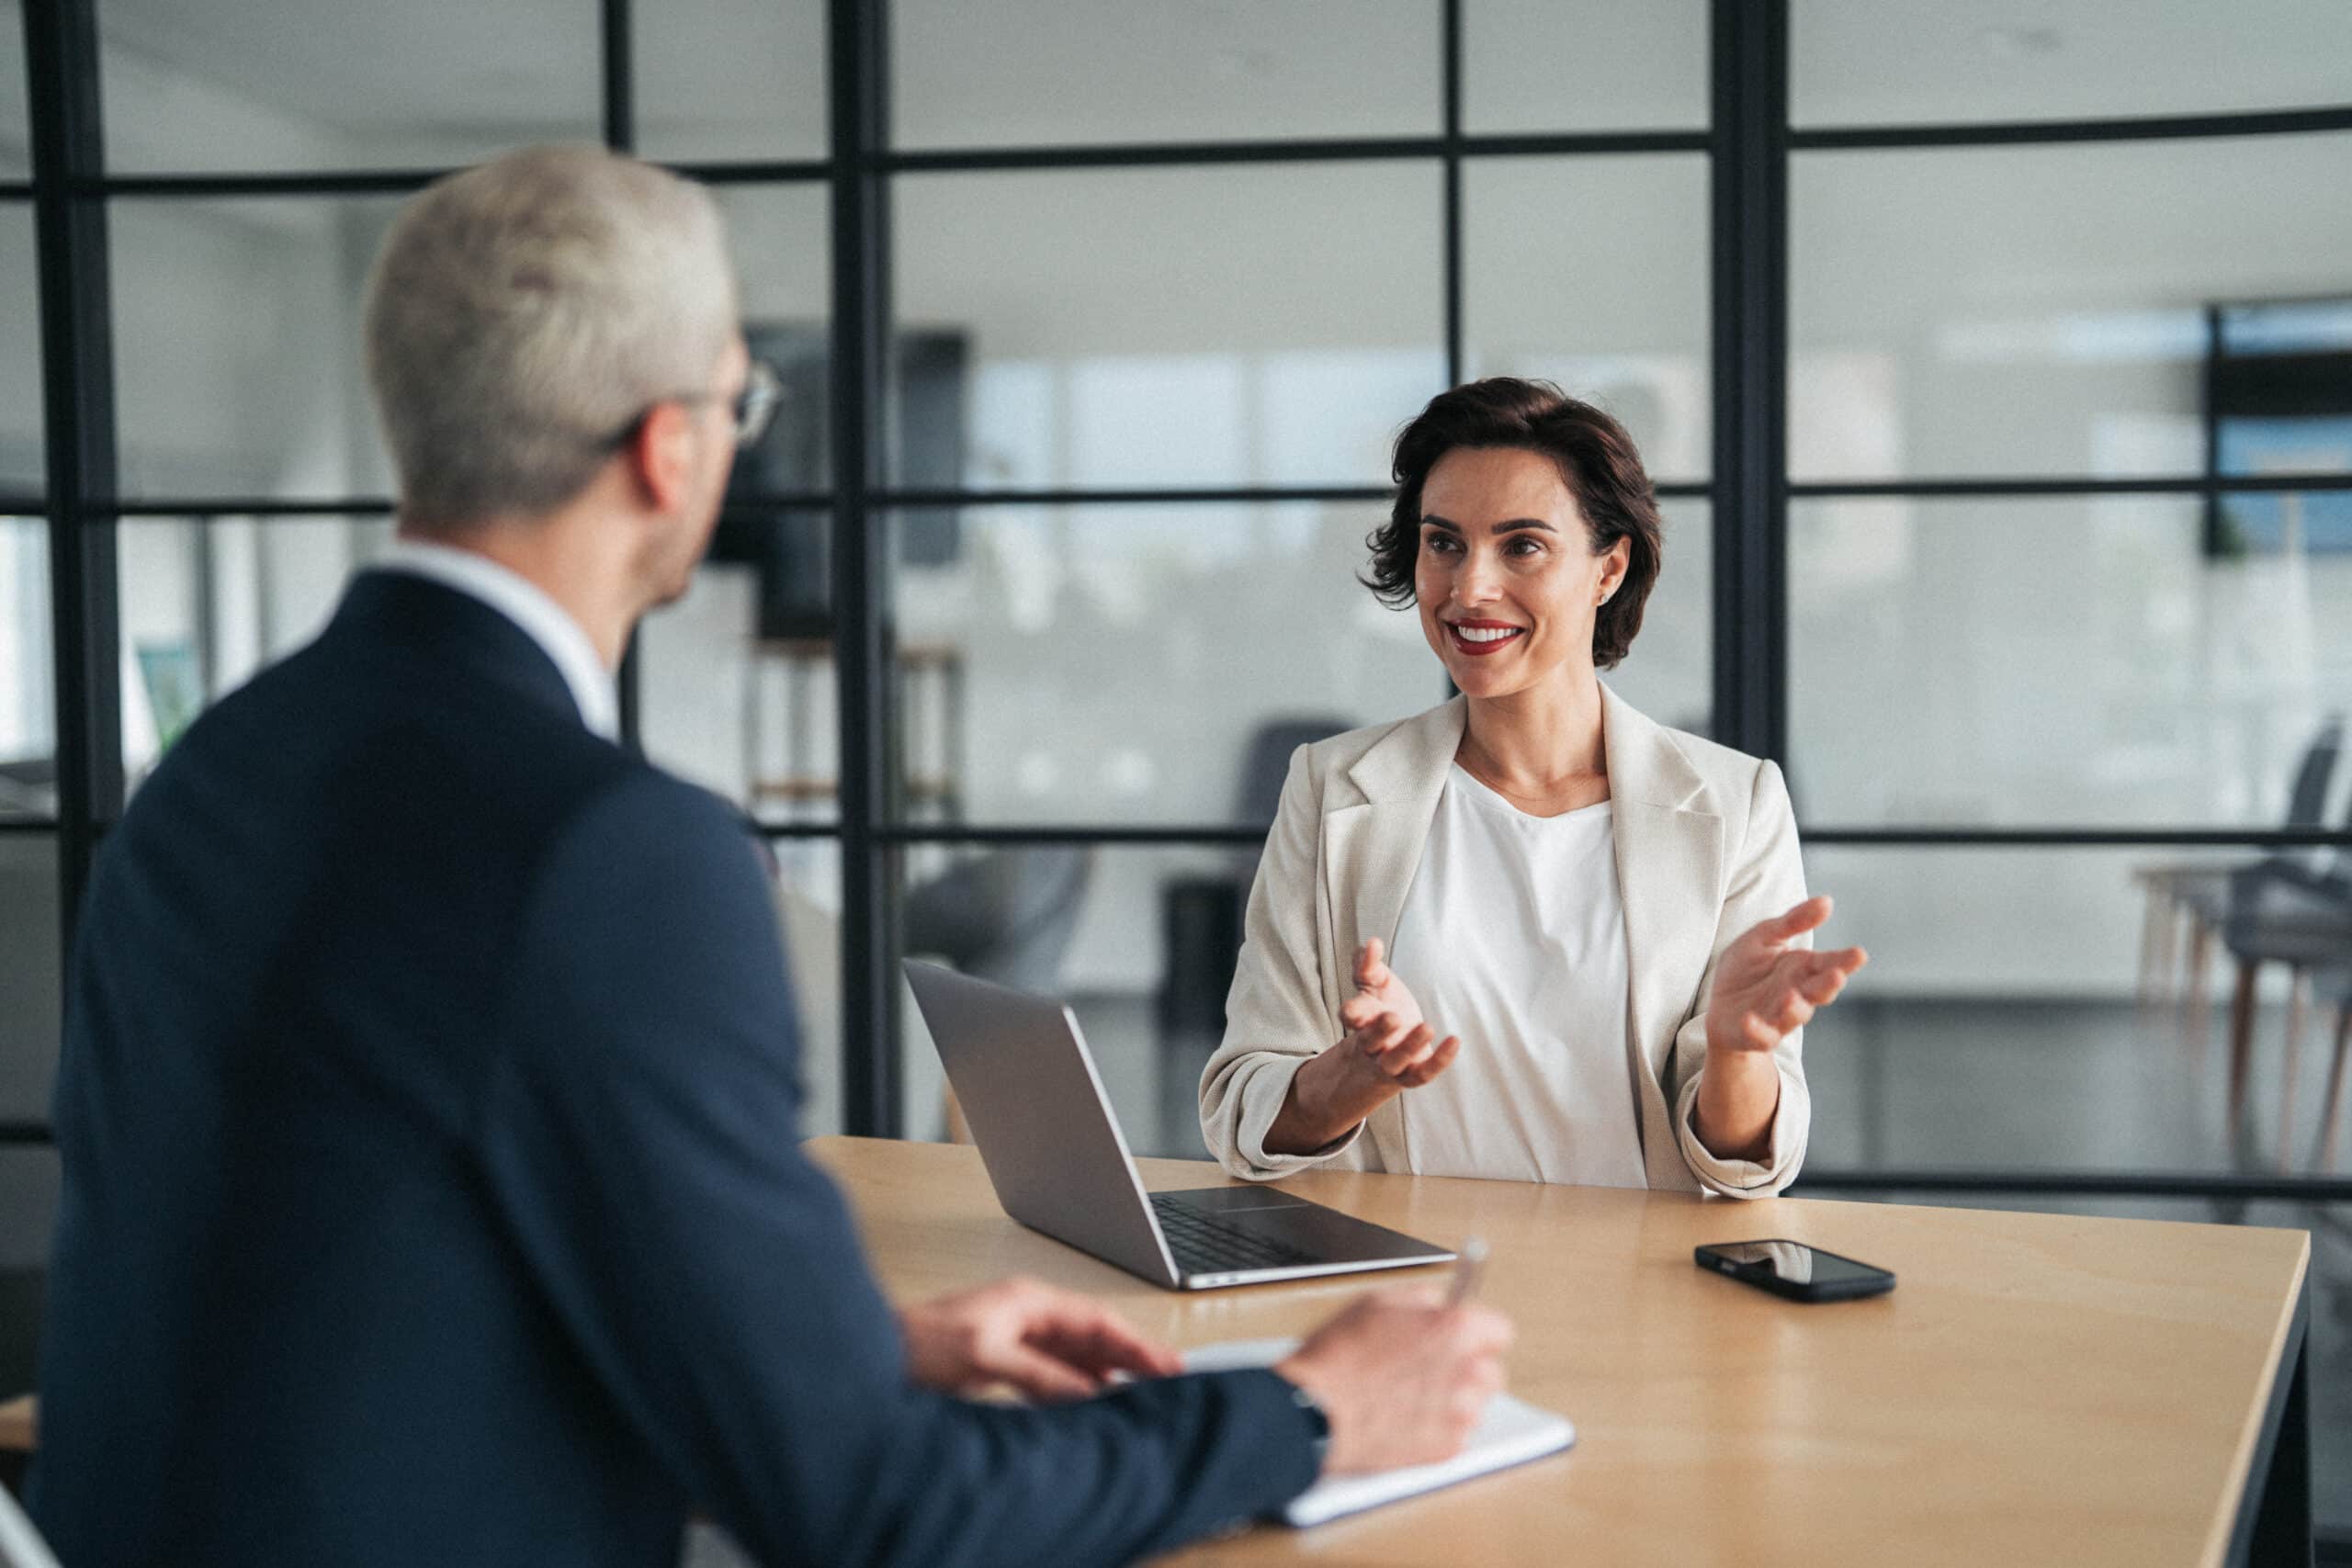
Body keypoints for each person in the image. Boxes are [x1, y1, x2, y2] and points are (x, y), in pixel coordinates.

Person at [30, 145, 1510, 1568]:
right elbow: (871, 1512)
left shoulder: (209, 770)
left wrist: (848, 1350)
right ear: (670, 452)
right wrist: (1306, 1411)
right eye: (745, 406)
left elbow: (383, 1289)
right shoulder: (619, 851)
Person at [1201, 378, 1868, 1192]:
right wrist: (1356, 1076)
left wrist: (1737, 1053)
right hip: (1409, 1286)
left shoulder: (1734, 806)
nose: (1469, 587)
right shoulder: (1333, 789)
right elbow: (1241, 1111)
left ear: (1607, 568)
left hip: (1646, 1300)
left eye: (1522, 546)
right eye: (1444, 542)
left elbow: (1745, 1166)